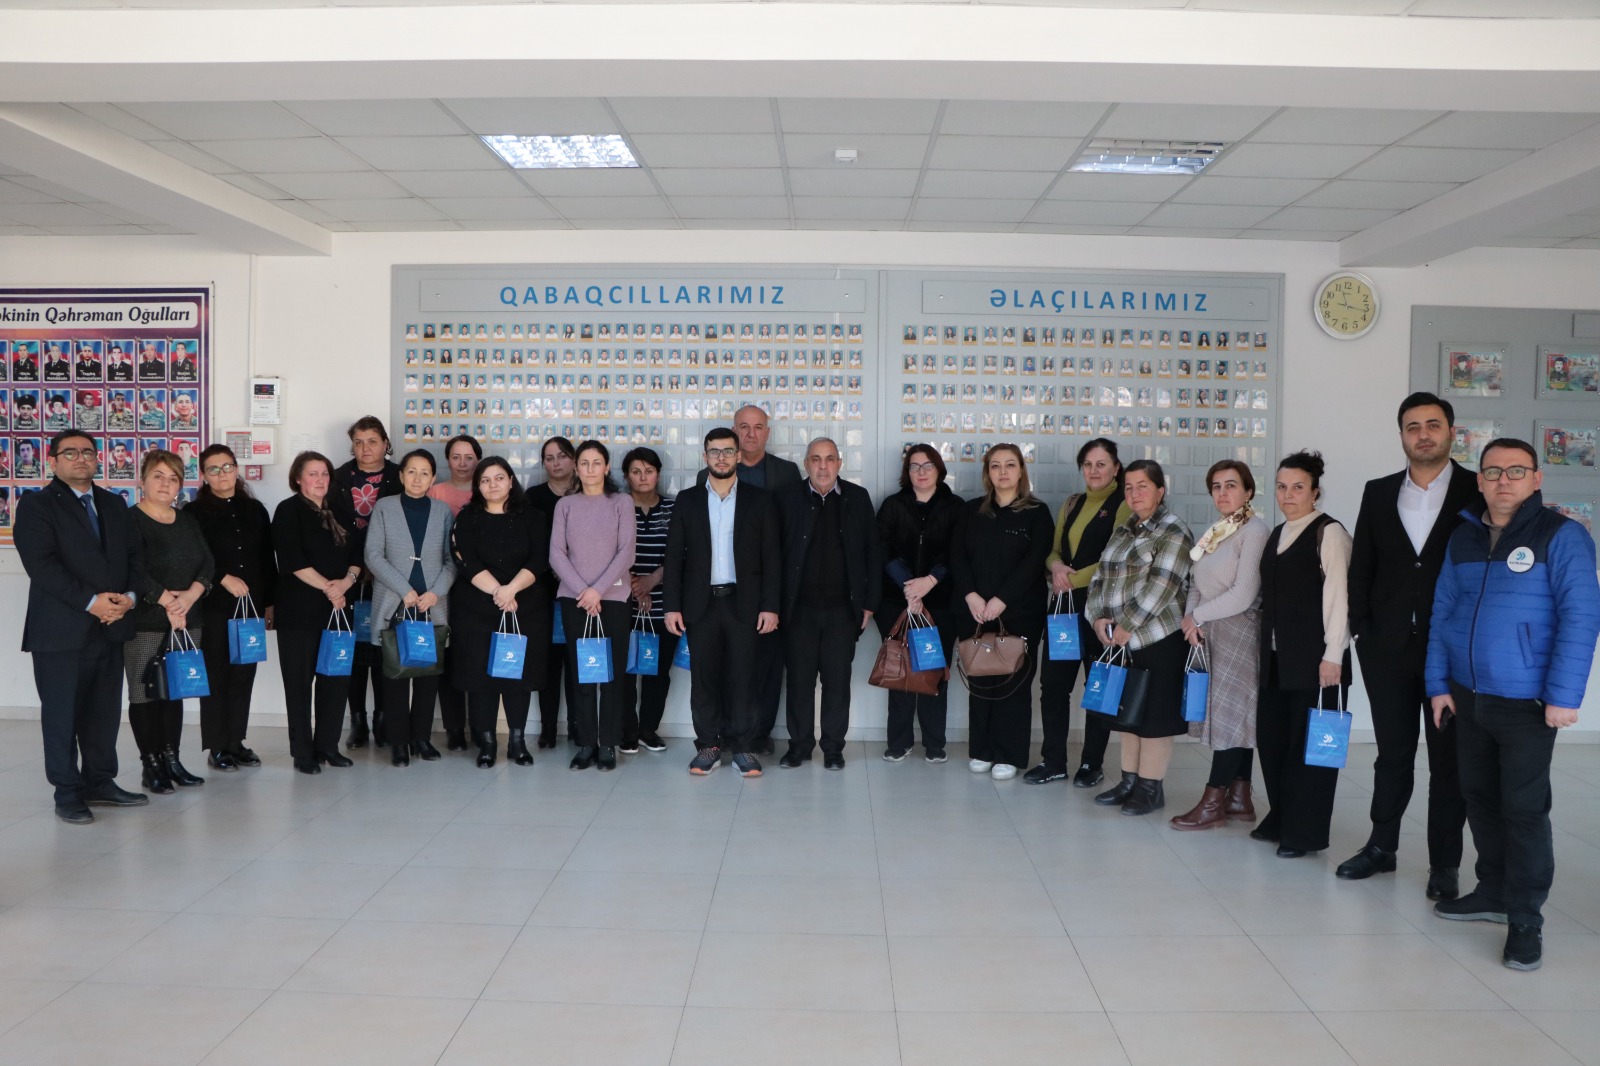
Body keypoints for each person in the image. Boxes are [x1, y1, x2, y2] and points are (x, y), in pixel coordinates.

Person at [1426, 438, 1600, 971]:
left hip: (1527, 701)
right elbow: (1443, 614)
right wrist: (1438, 684)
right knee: (1479, 797)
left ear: (1537, 478)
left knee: (1524, 810)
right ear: (1478, 481)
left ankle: (1526, 918)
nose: (1503, 480)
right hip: (1468, 694)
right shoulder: (1462, 537)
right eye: (1493, 471)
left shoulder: (1563, 536)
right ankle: (1493, 890)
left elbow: (1581, 617)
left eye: (1516, 471)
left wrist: (1564, 696)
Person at [1339, 393, 1480, 899]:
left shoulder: (1476, 489)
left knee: (1448, 760)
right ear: (1401, 434)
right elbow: (1363, 567)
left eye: (1433, 425)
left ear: (1451, 432)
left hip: (1452, 650)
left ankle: (1444, 863)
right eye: (1412, 426)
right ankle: (1382, 846)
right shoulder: (1378, 492)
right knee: (1392, 753)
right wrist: (1361, 629)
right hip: (1388, 646)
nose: (1423, 434)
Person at [14, 431, 147, 824]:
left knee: (103, 713)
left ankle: (100, 782)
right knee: (62, 714)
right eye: (70, 453)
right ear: (52, 461)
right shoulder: (37, 505)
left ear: (97, 458)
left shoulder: (113, 503)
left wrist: (130, 598)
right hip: (60, 631)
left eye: (87, 452)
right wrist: (93, 602)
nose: (80, 459)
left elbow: (136, 558)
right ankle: (67, 792)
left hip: (112, 626)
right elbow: (42, 566)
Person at [663, 427, 781, 778]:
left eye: (728, 451)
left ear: (739, 456)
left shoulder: (760, 500)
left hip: (744, 603)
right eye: (714, 452)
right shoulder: (688, 500)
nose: (721, 458)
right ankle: (709, 746)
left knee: (744, 678)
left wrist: (771, 606)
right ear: (705, 457)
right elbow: (674, 559)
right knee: (705, 678)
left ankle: (744, 747)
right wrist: (672, 606)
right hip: (700, 605)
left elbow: (772, 558)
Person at [1252, 451, 1352, 857]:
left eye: (1298, 487)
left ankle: (1304, 833)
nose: (1288, 494)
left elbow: (1340, 599)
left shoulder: (1328, 533)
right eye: (1281, 486)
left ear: (1315, 491)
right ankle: (1281, 815)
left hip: (1316, 660)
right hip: (1276, 659)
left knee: (1309, 748)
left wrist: (1334, 655)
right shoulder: (1277, 533)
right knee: (1273, 741)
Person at [1083, 459, 1194, 813]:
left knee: (1155, 721)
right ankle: (1128, 781)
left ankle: (1150, 789)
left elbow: (1162, 586)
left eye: (1142, 486)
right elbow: (1100, 579)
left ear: (1160, 491)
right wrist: (1098, 618)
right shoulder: (1122, 531)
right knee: (1128, 715)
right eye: (1129, 487)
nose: (1135, 493)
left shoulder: (1174, 531)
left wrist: (1126, 626)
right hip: (1120, 640)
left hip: (1157, 640)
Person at [1169, 460, 1269, 830]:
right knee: (1234, 716)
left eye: (1231, 485)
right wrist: (1191, 617)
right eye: (1216, 487)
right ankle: (1239, 799)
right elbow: (1197, 579)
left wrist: (1199, 617)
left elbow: (1243, 594)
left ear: (1247, 491)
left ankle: (1213, 802)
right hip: (1212, 630)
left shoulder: (1254, 530)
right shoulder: (1219, 531)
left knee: (1231, 717)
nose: (1223, 493)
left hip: (1239, 632)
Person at [697, 405, 802, 755]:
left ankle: (759, 734)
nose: (752, 433)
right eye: (744, 427)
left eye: (759, 427)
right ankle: (725, 735)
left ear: (768, 433)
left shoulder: (787, 473)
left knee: (767, 667)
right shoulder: (707, 476)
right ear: (733, 434)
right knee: (725, 667)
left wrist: (774, 597)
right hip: (722, 591)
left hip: (770, 587)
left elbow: (785, 538)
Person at [1027, 438, 1131, 787]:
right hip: (1064, 610)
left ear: (1116, 468)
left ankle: (1092, 764)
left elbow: (1117, 559)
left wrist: (1070, 578)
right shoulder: (1073, 503)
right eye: (1088, 464)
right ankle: (1053, 760)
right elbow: (1054, 550)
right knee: (1053, 686)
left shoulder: (1124, 505)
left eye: (1102, 464)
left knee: (1098, 686)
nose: (1094, 471)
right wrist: (1056, 567)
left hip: (1103, 609)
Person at [776, 437, 881, 771]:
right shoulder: (787, 498)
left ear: (840, 462)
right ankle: (799, 746)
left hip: (842, 610)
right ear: (806, 464)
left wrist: (869, 604)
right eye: (816, 459)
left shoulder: (857, 498)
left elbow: (872, 554)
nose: (823, 466)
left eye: (829, 459)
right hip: (799, 611)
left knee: (837, 683)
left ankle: (834, 748)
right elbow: (774, 555)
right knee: (799, 683)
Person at [951, 443, 1054, 781]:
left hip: (1020, 611)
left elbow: (1033, 561)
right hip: (976, 611)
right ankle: (982, 749)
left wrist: (1001, 600)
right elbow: (958, 557)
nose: (1003, 472)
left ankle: (1009, 753)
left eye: (1010, 465)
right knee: (981, 679)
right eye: (996, 466)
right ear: (988, 473)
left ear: (1021, 471)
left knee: (1013, 682)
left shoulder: (1037, 512)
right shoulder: (970, 511)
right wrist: (972, 597)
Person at [123, 449, 214, 793]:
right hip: (146, 621)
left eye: (173, 478)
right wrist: (165, 599)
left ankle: (172, 760)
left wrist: (189, 597)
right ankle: (151, 766)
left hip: (187, 619)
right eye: (158, 476)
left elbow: (207, 564)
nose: (165, 483)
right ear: (142, 480)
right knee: (144, 694)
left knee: (174, 691)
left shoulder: (187, 519)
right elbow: (129, 568)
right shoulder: (129, 520)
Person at [451, 456, 551, 768]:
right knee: (482, 676)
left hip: (525, 607)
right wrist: (498, 591)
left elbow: (540, 559)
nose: (492, 485)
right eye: (485, 480)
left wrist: (511, 591)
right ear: (477, 486)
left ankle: (518, 742)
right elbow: (465, 561)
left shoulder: (533, 517)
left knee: (516, 674)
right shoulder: (467, 518)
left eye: (499, 478)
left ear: (510, 480)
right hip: (477, 608)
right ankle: (488, 743)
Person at [187, 444, 276, 772]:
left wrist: (269, 602)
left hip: (251, 607)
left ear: (236, 468)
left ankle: (236, 742)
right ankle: (217, 746)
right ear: (203, 475)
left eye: (227, 467)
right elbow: (193, 559)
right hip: (214, 606)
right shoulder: (193, 513)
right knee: (217, 676)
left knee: (243, 674)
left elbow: (267, 558)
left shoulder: (255, 510)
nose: (222, 474)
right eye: (214, 469)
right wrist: (223, 577)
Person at [365, 449, 456, 767]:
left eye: (425, 473)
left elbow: (451, 560)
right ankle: (399, 742)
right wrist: (404, 590)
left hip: (432, 605)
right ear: (401, 475)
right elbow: (373, 555)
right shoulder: (384, 508)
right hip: (395, 602)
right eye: (411, 471)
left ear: (433, 478)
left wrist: (435, 592)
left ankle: (422, 739)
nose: (418, 478)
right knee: (395, 675)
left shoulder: (443, 511)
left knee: (428, 676)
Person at [273, 451, 362, 775]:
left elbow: (357, 556)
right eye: (312, 474)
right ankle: (303, 752)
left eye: (324, 473)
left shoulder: (339, 510)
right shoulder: (288, 511)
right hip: (299, 612)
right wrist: (330, 587)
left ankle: (328, 746)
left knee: (335, 679)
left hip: (338, 611)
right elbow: (293, 561)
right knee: (299, 683)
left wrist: (346, 582)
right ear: (298, 478)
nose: (320, 480)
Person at [875, 444, 964, 763]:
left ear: (939, 469)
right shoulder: (893, 505)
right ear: (906, 472)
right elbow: (881, 550)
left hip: (941, 603)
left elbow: (957, 553)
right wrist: (909, 587)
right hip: (895, 603)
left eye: (928, 465)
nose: (922, 472)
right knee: (900, 670)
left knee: (932, 671)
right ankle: (898, 741)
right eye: (914, 466)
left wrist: (930, 582)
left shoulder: (955, 507)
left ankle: (935, 743)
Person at [549, 440, 635, 771]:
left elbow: (626, 552)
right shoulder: (566, 505)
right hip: (575, 600)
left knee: (611, 674)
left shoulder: (621, 502)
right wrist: (583, 590)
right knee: (581, 672)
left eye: (595, 463)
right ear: (576, 467)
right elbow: (556, 552)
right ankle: (586, 742)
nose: (589, 469)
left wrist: (596, 590)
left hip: (612, 598)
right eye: (583, 463)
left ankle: (608, 743)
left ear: (607, 467)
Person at [330, 416, 402, 750]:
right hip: (349, 578)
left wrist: (381, 566)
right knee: (354, 654)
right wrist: (354, 568)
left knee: (384, 649)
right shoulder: (338, 477)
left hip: (389, 577)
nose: (365, 448)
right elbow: (331, 527)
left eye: (372, 441)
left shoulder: (399, 476)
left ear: (386, 444)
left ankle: (384, 719)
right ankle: (357, 720)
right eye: (358, 442)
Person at [621, 446, 677, 754]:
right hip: (621, 601)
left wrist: (652, 580)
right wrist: (632, 584)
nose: (643, 477)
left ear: (658, 474)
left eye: (649, 471)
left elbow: (683, 552)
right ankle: (627, 730)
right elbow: (608, 549)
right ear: (626, 476)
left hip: (663, 604)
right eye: (636, 471)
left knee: (658, 671)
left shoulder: (673, 508)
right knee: (626, 670)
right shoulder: (616, 506)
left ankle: (648, 729)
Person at [428, 433, 481, 751]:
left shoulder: (488, 488)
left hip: (479, 588)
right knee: (447, 657)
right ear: (447, 460)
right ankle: (453, 728)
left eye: (469, 457)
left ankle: (479, 725)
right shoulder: (435, 492)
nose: (462, 463)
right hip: (443, 587)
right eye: (456, 457)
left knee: (474, 656)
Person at [528, 435, 578, 748]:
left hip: (580, 589)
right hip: (541, 590)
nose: (556, 462)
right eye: (549, 457)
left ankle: (577, 725)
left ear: (573, 459)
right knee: (547, 662)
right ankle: (548, 728)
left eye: (562, 456)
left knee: (577, 661)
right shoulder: (533, 496)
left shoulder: (588, 492)